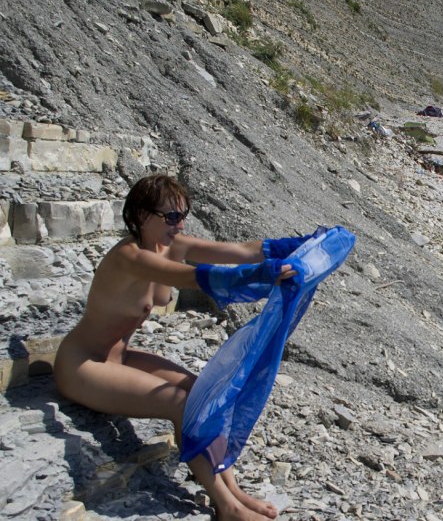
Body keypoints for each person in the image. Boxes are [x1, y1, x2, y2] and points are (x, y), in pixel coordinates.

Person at [54, 174, 299, 520]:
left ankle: (234, 490)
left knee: (203, 394)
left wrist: (297, 245)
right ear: (141, 215)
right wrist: (261, 275)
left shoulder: (173, 245)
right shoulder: (129, 257)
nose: (179, 224)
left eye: (183, 215)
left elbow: (241, 250)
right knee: (182, 404)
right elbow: (192, 278)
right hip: (82, 365)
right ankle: (226, 506)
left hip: (119, 357)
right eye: (170, 217)